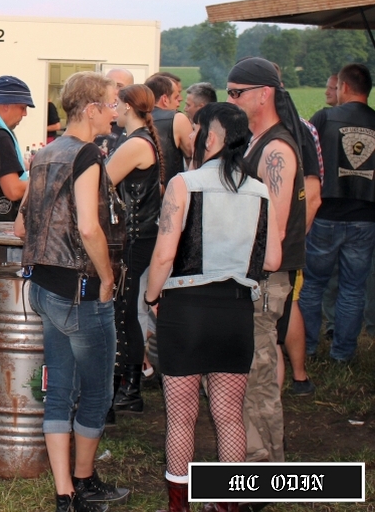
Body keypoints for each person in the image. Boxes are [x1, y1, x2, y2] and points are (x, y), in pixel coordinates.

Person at [144, 103, 282, 512]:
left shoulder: (184, 184)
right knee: (229, 415)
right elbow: (273, 259)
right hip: (236, 311)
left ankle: (179, 505)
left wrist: (151, 297)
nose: (191, 135)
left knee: (181, 416)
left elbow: (164, 255)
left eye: (197, 129)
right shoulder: (260, 189)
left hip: (186, 310)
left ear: (214, 138)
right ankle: (227, 504)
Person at [15, 71, 129, 512]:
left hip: (44, 287)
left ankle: (64, 493)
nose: (115, 113)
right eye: (111, 104)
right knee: (97, 392)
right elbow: (88, 227)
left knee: (59, 391)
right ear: (91, 109)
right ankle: (84, 479)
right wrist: (107, 278)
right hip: (81, 290)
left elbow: (22, 225)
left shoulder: (44, 153)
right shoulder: (86, 155)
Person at [226, 57, 306, 463]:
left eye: (236, 93)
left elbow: (273, 226)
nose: (231, 100)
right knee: (247, 372)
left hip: (264, 277)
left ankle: (264, 469)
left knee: (257, 377)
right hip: (252, 275)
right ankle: (255, 457)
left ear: (264, 94)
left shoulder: (276, 148)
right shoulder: (256, 141)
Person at [300, 63, 375, 364]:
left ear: (343, 86)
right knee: (353, 289)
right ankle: (343, 353)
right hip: (365, 217)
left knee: (313, 285)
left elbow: (306, 161)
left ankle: (305, 347)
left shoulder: (324, 118)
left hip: (325, 215)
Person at [105, 84, 163, 417]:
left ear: (128, 106)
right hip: (135, 238)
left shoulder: (136, 143)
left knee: (122, 314)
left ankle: (126, 388)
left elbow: (101, 183)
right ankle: (127, 388)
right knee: (124, 313)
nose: (113, 109)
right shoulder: (139, 140)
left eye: (116, 103)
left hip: (133, 239)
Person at [0, 75, 34, 224]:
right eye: (23, 107)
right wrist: (43, 180)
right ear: (6, 105)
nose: (25, 114)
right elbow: (13, 190)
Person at [146, 74, 193, 185]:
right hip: (169, 190)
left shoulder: (133, 118)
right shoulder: (178, 119)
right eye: (176, 97)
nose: (180, 99)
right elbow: (193, 158)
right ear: (165, 99)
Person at [95, 68, 134, 157]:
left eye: (119, 86)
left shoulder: (133, 122)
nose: (114, 91)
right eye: (109, 85)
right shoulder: (93, 115)